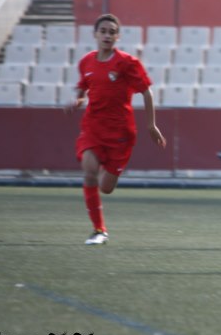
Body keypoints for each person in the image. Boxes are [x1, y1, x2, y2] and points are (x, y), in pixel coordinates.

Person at [66, 14, 167, 245]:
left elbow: (146, 91)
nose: (107, 35)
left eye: (112, 32)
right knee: (89, 170)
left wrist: (151, 124)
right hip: (93, 127)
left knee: (106, 187)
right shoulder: (86, 62)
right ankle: (99, 229)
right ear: (95, 34)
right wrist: (78, 101)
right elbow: (83, 88)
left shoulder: (127, 63)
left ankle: (105, 182)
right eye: (103, 31)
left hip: (121, 134)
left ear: (118, 37)